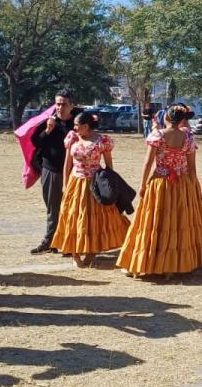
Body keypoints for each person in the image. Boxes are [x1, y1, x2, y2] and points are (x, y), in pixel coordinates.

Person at [118, 106, 202, 278]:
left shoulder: (158, 135)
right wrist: (192, 188)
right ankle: (172, 266)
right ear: (181, 120)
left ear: (166, 118)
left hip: (160, 183)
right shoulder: (188, 137)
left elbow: (148, 163)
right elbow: (192, 167)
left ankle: (147, 262)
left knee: (154, 221)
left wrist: (142, 185)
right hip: (181, 183)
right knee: (177, 221)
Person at [51, 111, 129, 267]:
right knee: (74, 216)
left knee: (95, 219)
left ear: (86, 126)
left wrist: (110, 184)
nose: (74, 127)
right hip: (76, 182)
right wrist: (65, 184)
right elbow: (67, 163)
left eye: (77, 125)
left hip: (95, 184)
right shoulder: (72, 138)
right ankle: (75, 253)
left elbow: (109, 164)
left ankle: (91, 252)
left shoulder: (102, 141)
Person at [29, 91, 75, 255]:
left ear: (71, 106)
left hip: (73, 172)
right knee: (53, 208)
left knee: (71, 208)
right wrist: (48, 130)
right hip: (51, 170)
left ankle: (68, 242)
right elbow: (35, 141)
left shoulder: (77, 122)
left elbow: (92, 126)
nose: (60, 107)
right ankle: (50, 241)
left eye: (64, 104)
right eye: (58, 104)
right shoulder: (49, 121)